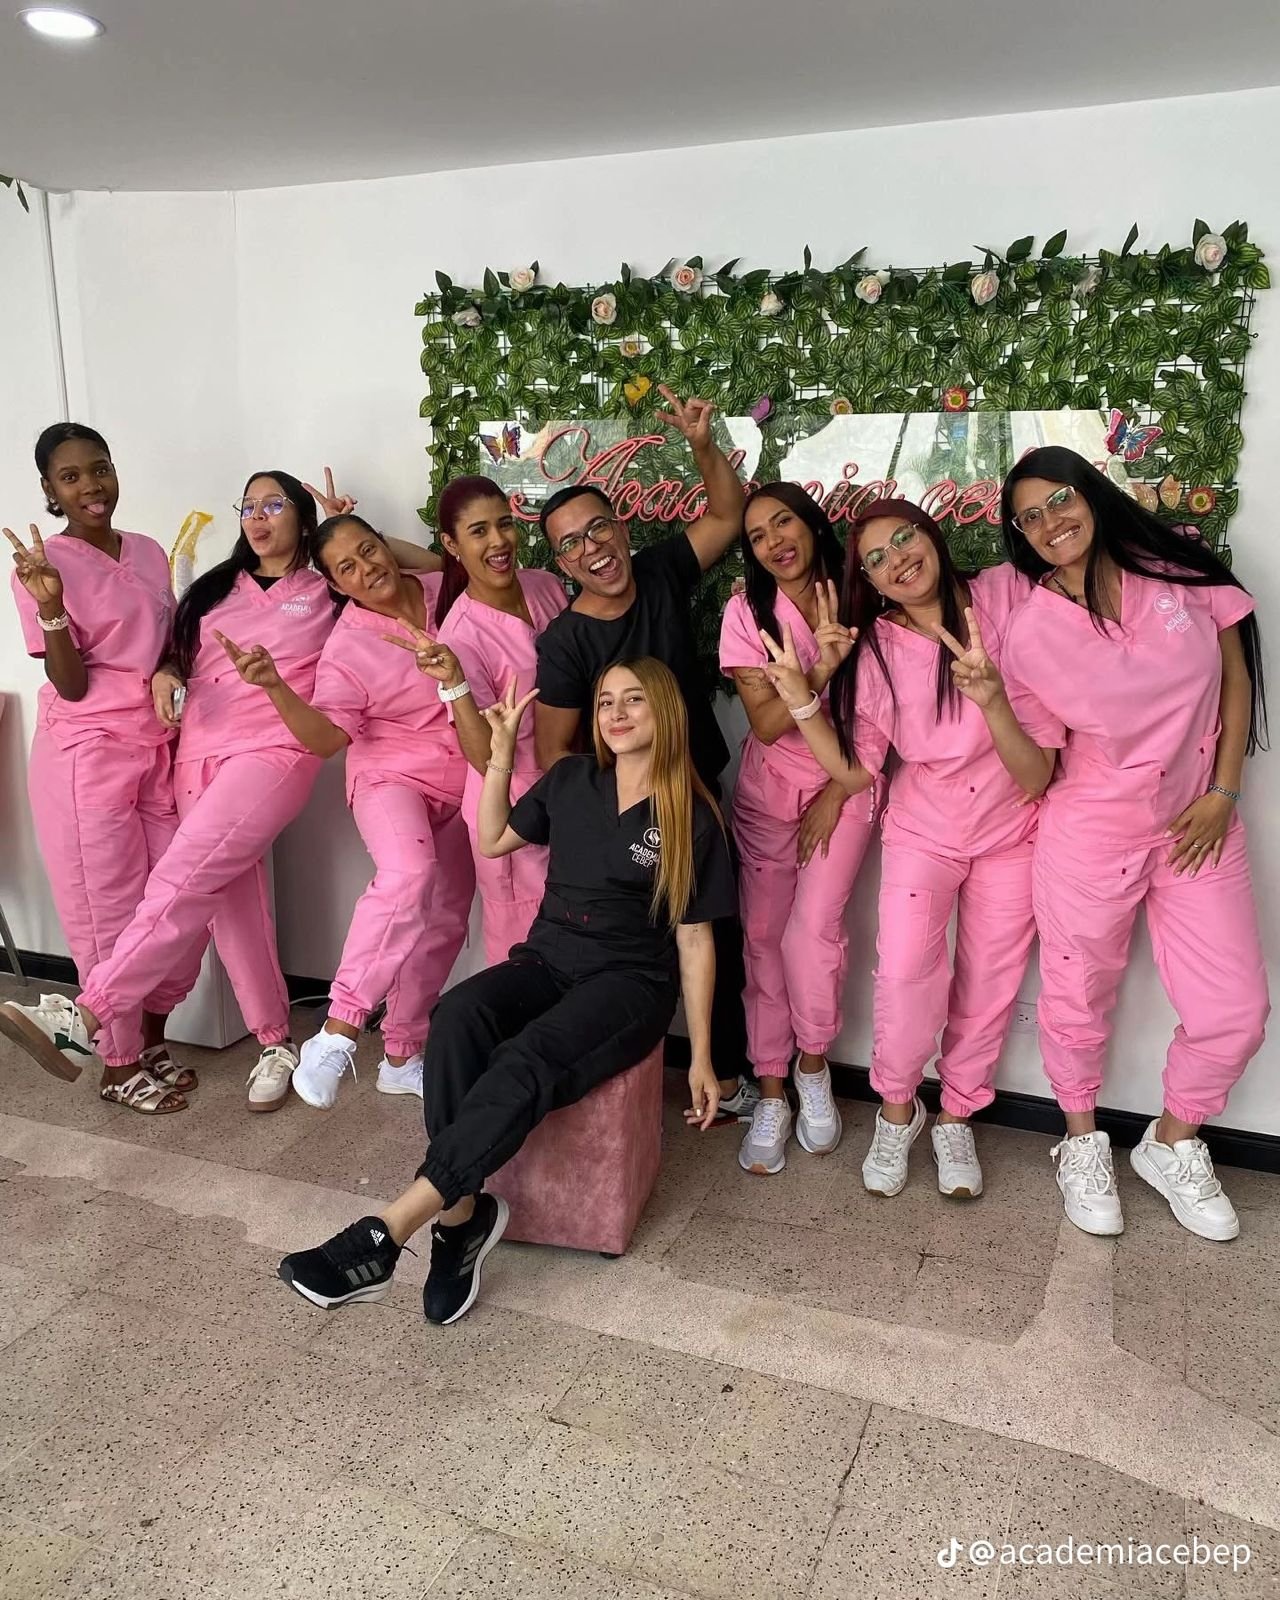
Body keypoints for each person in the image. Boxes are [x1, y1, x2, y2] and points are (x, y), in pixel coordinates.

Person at [277, 657, 735, 1326]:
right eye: (606, 700)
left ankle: (387, 1232)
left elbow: (695, 942)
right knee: (457, 1016)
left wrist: (701, 1059)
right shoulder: (572, 779)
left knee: (528, 1057)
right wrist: (498, 757)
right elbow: (492, 839)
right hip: (549, 959)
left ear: (665, 711)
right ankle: (460, 1216)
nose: (616, 713)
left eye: (634, 699)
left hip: (629, 982)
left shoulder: (691, 815)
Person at [0, 471, 438, 1109]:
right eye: (248, 506)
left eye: (274, 505)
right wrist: (166, 671)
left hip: (273, 753)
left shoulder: (328, 589)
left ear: (302, 518)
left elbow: (428, 565)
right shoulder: (213, 587)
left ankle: (85, 1015)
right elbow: (178, 652)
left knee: (181, 879)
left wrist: (349, 530)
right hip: (196, 754)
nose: (258, 517)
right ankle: (275, 1041)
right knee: (232, 900)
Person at [999, 447, 1269, 1241]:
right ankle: (1082, 1142)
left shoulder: (1177, 566)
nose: (1051, 522)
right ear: (1021, 536)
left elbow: (1234, 672)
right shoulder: (1030, 632)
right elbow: (1038, 771)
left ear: (1091, 492)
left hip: (1197, 828)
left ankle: (1171, 1141)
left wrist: (1224, 791)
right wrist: (988, 702)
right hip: (1092, 834)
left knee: (1236, 1010)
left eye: (1060, 499)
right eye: (1030, 517)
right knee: (1077, 997)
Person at [762, 499, 1063, 1200]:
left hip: (1013, 830)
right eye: (876, 558)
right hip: (925, 830)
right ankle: (897, 1110)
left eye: (904, 538)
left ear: (931, 535)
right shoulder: (877, 648)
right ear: (869, 581)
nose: (897, 559)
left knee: (990, 980)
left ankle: (957, 1113)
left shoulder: (1005, 594)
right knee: (903, 976)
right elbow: (860, 769)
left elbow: (1041, 760)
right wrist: (804, 700)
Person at [533, 387, 755, 1120]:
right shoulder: (566, 642)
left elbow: (726, 515)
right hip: (621, 814)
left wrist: (701, 444)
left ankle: (725, 1077)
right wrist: (613, 815)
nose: (591, 548)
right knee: (628, 950)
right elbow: (556, 754)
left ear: (621, 526)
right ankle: (609, 1082)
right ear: (562, 562)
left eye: (598, 528)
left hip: (694, 793)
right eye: (571, 543)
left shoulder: (660, 570)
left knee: (716, 934)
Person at [216, 513, 475, 1108]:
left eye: (370, 551)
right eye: (347, 569)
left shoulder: (446, 591)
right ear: (335, 585)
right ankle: (339, 1029)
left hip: (465, 777)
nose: (367, 570)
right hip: (390, 778)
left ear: (388, 546)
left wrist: (355, 533)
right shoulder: (347, 647)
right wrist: (276, 688)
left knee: (445, 919)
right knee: (408, 875)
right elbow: (327, 738)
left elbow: (447, 559)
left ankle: (402, 1055)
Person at [1, 423, 198, 1113]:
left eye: (100, 468)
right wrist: (52, 607)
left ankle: (152, 1041)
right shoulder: (41, 566)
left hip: (156, 746)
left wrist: (172, 668)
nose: (91, 485)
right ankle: (116, 1065)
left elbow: (168, 642)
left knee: (179, 902)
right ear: (50, 489)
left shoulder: (146, 550)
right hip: (86, 757)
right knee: (106, 914)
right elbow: (72, 683)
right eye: (71, 476)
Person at [718, 483, 878, 1174]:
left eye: (783, 522)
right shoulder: (746, 612)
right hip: (768, 795)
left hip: (847, 784)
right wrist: (820, 668)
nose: (774, 541)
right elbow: (765, 723)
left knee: (811, 934)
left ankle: (813, 1068)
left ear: (812, 524)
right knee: (760, 938)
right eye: (757, 535)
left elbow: (885, 715)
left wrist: (838, 789)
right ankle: (771, 1089)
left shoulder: (863, 594)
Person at [432, 475, 568, 962]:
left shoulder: (545, 586)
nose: (499, 541)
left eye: (504, 524)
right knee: (527, 953)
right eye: (479, 531)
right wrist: (455, 681)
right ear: (451, 544)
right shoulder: (461, 635)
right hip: (513, 806)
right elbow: (482, 755)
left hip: (570, 784)